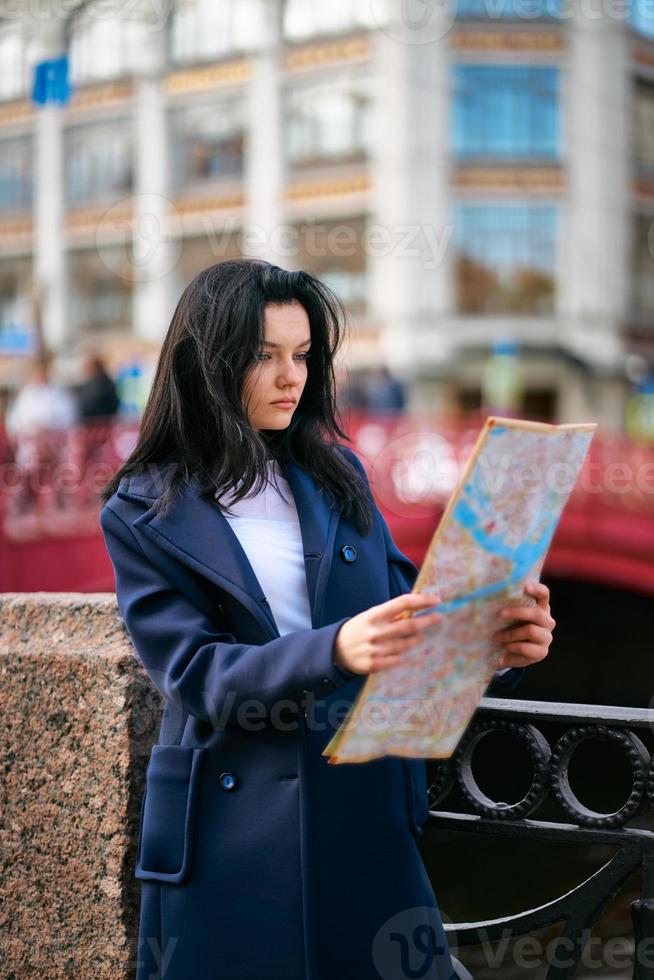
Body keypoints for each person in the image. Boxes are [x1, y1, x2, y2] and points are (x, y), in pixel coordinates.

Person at [98, 260, 555, 980]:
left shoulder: (336, 477)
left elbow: (416, 610)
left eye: (304, 355)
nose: (293, 377)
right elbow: (194, 675)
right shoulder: (142, 509)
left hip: (361, 813)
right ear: (209, 363)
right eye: (265, 355)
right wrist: (336, 648)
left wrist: (501, 641)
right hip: (230, 834)